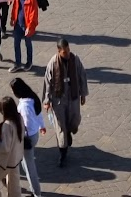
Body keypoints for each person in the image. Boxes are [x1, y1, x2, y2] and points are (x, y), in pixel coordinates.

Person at [42, 38, 88, 168]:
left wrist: (83, 93)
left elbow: (82, 76)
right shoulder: (53, 63)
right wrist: (47, 101)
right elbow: (48, 83)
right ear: (59, 51)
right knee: (60, 126)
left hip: (73, 97)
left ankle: (69, 132)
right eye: (65, 51)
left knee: (74, 121)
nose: (67, 53)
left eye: (68, 50)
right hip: (58, 99)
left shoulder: (75, 60)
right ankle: (62, 153)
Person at [11, 77, 46, 197]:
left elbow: (26, 125)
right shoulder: (32, 98)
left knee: (30, 167)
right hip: (34, 135)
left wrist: (19, 137)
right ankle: (33, 189)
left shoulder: (25, 106)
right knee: (26, 163)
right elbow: (38, 114)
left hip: (27, 138)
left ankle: (36, 193)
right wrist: (42, 126)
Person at [0, 96, 25, 197]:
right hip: (16, 158)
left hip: (5, 161)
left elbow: (4, 148)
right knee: (14, 184)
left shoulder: (7, 125)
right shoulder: (19, 118)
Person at [8, 0, 39, 73]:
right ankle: (18, 63)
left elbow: (33, 15)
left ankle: (29, 62)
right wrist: (13, 19)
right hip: (18, 25)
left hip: (26, 26)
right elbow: (15, 8)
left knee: (28, 44)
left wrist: (29, 27)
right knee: (16, 44)